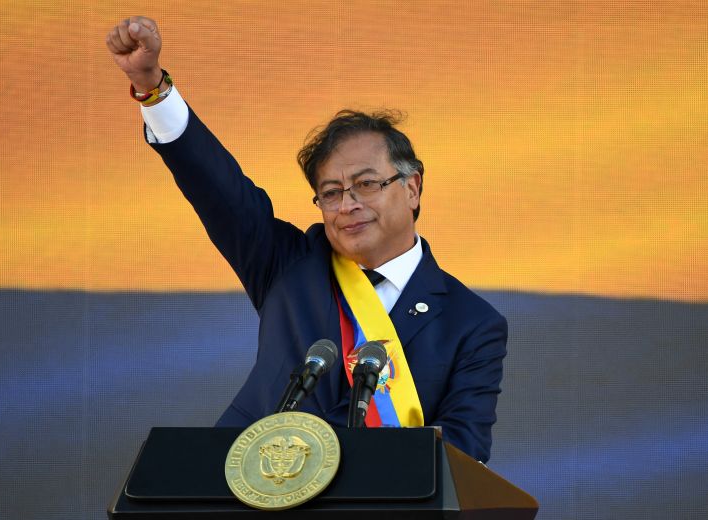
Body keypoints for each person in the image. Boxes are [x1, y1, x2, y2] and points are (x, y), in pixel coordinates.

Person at [106, 16, 507, 463]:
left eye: (366, 184)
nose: (347, 204)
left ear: (412, 188)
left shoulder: (471, 323)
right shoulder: (289, 265)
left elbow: (464, 452)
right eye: (331, 192)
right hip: (252, 486)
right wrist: (153, 88)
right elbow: (219, 189)